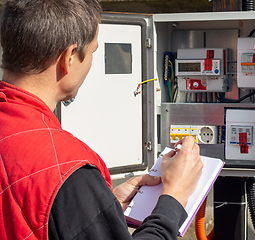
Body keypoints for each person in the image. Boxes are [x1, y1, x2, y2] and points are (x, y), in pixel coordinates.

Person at [0, 0, 203, 239]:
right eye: (94, 51)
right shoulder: (68, 169)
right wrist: (174, 197)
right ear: (70, 57)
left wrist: (104, 205)